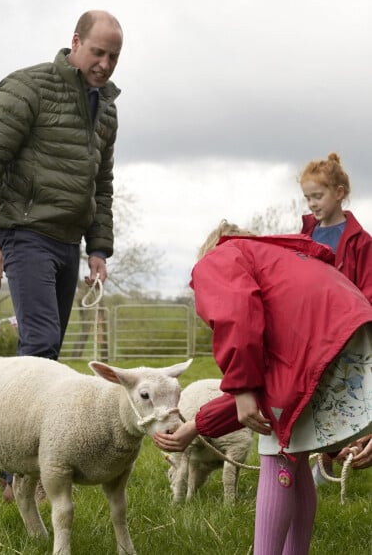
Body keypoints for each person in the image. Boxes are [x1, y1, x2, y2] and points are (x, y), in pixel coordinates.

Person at [0, 10, 123, 499]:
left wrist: (98, 248)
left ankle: (28, 464)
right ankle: (18, 476)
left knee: (46, 352)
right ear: (75, 42)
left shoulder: (108, 111)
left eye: (114, 56)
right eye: (97, 51)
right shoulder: (27, 88)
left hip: (67, 241)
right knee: (40, 343)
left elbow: (101, 185)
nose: (104, 63)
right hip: (23, 232)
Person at [153, 221, 372, 555]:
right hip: (350, 337)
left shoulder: (221, 258)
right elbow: (270, 390)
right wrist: (197, 426)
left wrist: (241, 388)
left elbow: (236, 311)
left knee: (277, 451)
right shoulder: (284, 268)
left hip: (324, 347)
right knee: (294, 456)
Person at [298, 152, 372, 482]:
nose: (312, 204)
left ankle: (348, 451)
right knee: (316, 392)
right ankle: (319, 457)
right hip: (313, 331)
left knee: (350, 394)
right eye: (307, 198)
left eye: (318, 196)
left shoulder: (361, 242)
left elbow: (368, 289)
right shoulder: (304, 235)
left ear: (339, 192)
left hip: (349, 331)